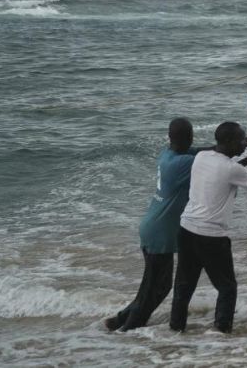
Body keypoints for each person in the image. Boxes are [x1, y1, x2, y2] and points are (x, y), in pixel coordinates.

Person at [169, 119, 247, 334]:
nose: (243, 142)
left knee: (184, 286)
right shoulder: (229, 168)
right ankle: (220, 332)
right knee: (227, 288)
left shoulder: (201, 157)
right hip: (211, 236)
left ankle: (175, 330)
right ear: (229, 142)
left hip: (186, 229)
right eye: (240, 139)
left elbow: (230, 170)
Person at [104, 118, 207, 332]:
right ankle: (129, 330)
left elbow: (204, 151)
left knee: (152, 287)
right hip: (160, 234)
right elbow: (214, 159)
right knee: (155, 289)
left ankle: (120, 320)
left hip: (153, 228)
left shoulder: (169, 155)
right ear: (189, 137)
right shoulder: (182, 164)